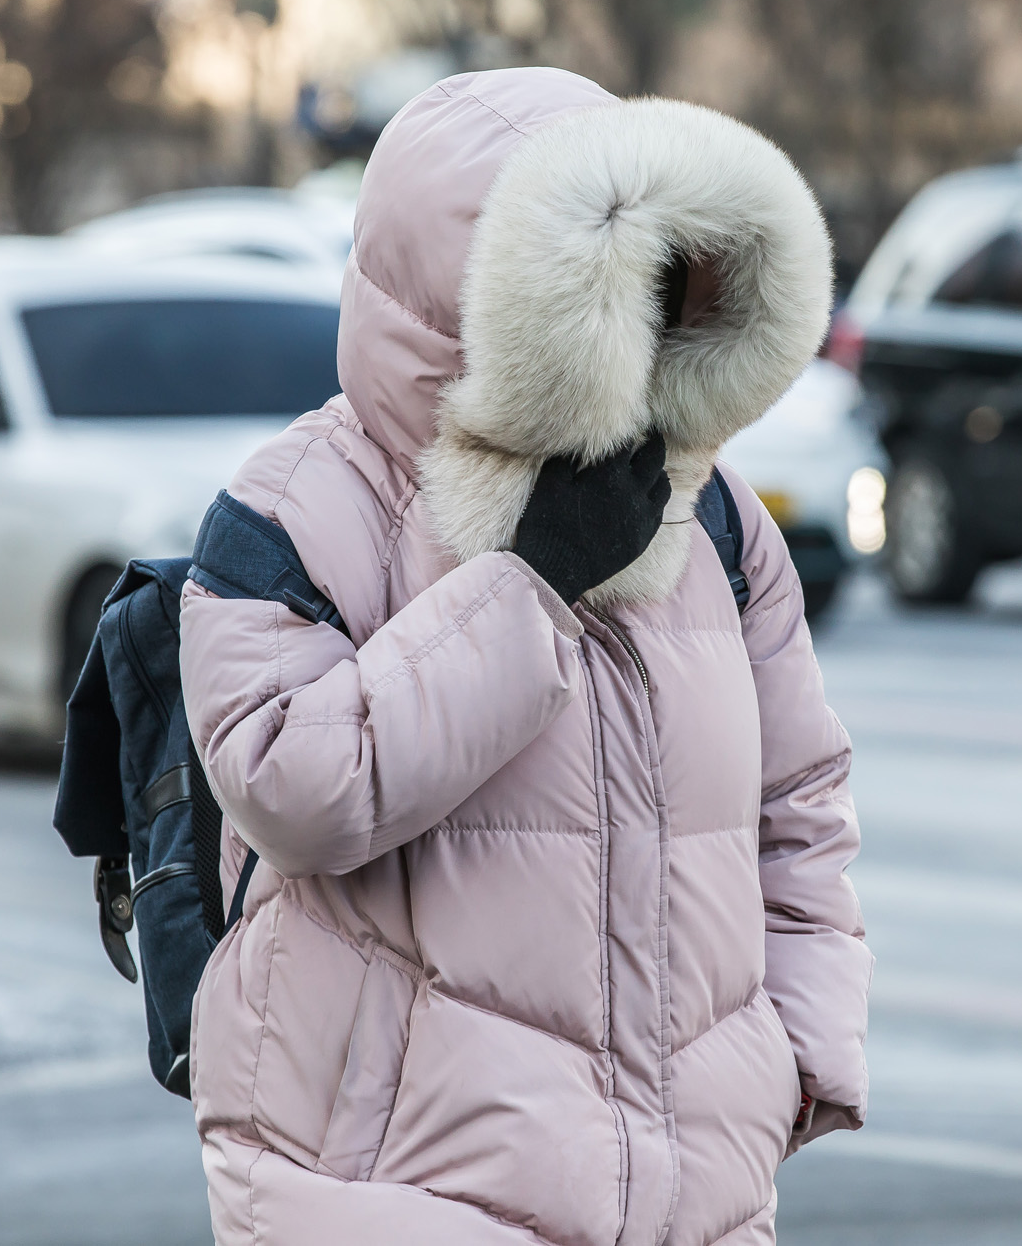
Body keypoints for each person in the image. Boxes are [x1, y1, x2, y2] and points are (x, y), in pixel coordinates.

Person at [180, 68, 871, 1243]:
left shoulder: (707, 512)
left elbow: (797, 805)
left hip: (696, 1197)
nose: (645, 311)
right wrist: (528, 589)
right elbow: (295, 794)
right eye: (604, 274)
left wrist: (795, 1058)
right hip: (384, 1184)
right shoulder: (300, 506)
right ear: (481, 292)